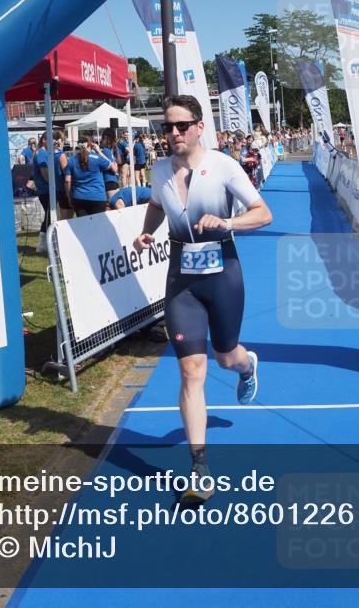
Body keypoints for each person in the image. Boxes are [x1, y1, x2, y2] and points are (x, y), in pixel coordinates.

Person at [132, 95, 273, 503]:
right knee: (191, 370)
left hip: (223, 275)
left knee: (226, 357)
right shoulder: (160, 169)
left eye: (182, 125)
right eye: (168, 127)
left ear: (199, 127)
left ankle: (246, 366)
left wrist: (227, 222)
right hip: (182, 282)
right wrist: (147, 231)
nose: (174, 133)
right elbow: (156, 205)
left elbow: (263, 213)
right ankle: (199, 467)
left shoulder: (224, 165)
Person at [65, 134, 116, 216]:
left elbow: (67, 181)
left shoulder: (71, 160)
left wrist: (69, 197)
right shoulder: (97, 158)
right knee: (97, 223)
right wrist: (99, 152)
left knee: (83, 223)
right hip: (97, 196)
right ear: (90, 144)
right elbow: (113, 167)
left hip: (79, 196)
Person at [98, 128, 120, 198]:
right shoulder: (106, 151)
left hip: (112, 180)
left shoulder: (109, 151)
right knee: (114, 203)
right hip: (109, 181)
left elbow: (119, 162)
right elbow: (115, 169)